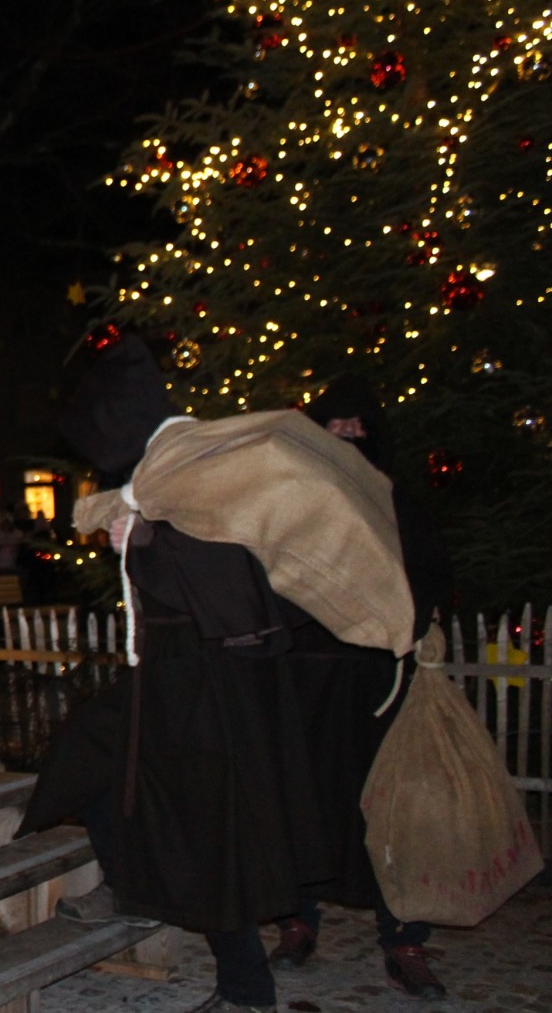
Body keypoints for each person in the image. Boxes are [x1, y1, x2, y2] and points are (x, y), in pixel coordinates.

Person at [23, 337, 400, 1013]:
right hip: (171, 680)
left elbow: (231, 578)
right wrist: (138, 530)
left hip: (212, 688)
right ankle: (130, 880)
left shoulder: (197, 466)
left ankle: (245, 988)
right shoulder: (167, 469)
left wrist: (142, 540)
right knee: (95, 758)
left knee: (209, 831)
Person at [259, 375, 452, 1000]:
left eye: (358, 426)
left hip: (378, 679)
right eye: (336, 426)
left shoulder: (399, 505)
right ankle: (297, 921)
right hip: (308, 677)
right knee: (301, 800)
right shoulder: (296, 503)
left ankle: (404, 939)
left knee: (394, 808)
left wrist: (403, 628)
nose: (348, 435)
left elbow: (428, 579)